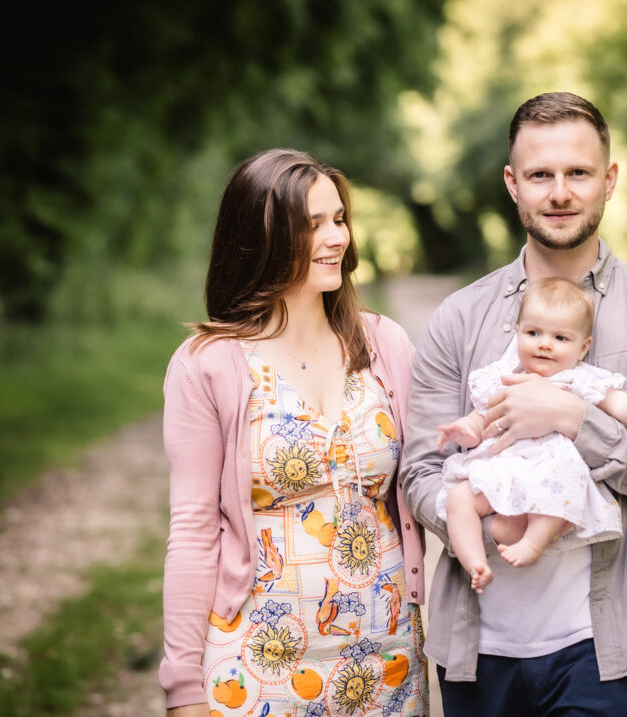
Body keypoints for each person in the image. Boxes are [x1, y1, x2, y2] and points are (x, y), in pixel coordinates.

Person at [401, 92, 627, 715]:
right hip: (481, 643)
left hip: (605, 646)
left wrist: (573, 419)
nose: (560, 193)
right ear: (512, 184)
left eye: (579, 172)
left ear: (609, 180)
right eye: (541, 175)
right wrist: (496, 520)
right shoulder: (459, 317)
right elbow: (420, 472)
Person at [160, 149, 428, 717]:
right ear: (262, 239)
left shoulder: (384, 344)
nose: (337, 238)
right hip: (256, 661)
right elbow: (192, 530)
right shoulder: (209, 364)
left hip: (387, 657)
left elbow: (432, 478)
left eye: (339, 219)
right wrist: (182, 684)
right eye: (312, 225)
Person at [435, 277, 627, 593]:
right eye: (533, 333)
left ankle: (533, 542)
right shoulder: (503, 378)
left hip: (551, 469)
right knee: (459, 497)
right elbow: (483, 420)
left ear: (583, 347)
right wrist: (466, 429)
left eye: (560, 337)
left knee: (557, 489)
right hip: (504, 468)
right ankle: (474, 563)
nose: (544, 344)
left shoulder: (578, 380)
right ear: (518, 333)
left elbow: (622, 403)